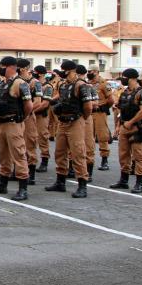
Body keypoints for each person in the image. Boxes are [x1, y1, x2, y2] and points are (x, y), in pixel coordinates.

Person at [0, 57, 34, 200]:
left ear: (11, 67)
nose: (0, 68)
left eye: (3, 66)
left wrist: (21, 118)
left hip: (14, 123)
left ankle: (23, 188)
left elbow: (29, 106)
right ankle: (2, 184)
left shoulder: (20, 83)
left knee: (19, 155)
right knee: (3, 155)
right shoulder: (3, 83)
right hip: (2, 123)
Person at [46, 60, 95, 197]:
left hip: (75, 121)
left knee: (78, 153)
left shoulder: (81, 85)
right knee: (60, 152)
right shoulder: (63, 85)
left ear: (71, 71)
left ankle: (82, 185)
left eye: (64, 70)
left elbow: (88, 107)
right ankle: (60, 182)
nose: (62, 72)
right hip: (63, 122)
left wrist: (82, 119)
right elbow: (61, 100)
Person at [110, 69, 142, 194]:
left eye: (124, 77)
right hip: (124, 126)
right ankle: (124, 180)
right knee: (123, 155)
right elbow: (121, 111)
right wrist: (118, 126)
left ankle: (139, 183)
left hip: (136, 128)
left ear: (132, 78)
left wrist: (131, 122)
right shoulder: (125, 92)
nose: (123, 79)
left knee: (138, 156)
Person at [89, 68, 114, 171]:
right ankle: (89, 160)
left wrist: (104, 108)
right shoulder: (88, 83)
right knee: (89, 136)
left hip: (99, 112)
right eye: (88, 71)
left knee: (102, 136)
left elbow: (111, 100)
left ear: (96, 72)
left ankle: (104, 160)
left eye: (91, 71)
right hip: (90, 112)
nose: (89, 73)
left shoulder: (104, 83)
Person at [34, 66, 54, 172]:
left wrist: (31, 111)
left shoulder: (48, 87)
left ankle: (44, 160)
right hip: (32, 115)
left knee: (42, 137)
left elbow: (44, 104)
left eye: (35, 72)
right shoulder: (34, 85)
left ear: (40, 74)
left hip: (41, 115)